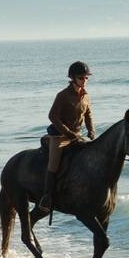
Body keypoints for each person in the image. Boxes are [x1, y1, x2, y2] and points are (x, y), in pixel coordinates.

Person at [38, 61, 95, 211]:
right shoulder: (62, 95)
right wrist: (68, 133)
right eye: (81, 78)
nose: (84, 80)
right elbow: (53, 116)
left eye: (86, 78)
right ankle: (47, 197)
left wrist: (91, 131)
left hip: (77, 136)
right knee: (54, 164)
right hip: (59, 137)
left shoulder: (86, 96)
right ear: (73, 78)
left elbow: (88, 115)